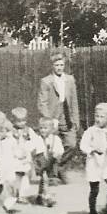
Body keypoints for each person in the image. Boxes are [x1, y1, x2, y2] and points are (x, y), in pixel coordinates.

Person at [37, 52, 80, 184]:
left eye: (61, 65)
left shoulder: (70, 80)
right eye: (57, 65)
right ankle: (52, 175)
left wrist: (76, 118)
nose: (59, 68)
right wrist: (49, 120)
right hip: (52, 117)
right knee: (51, 146)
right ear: (52, 66)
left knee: (72, 144)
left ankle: (60, 167)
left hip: (67, 117)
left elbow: (74, 101)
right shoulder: (46, 81)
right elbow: (42, 102)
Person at [79, 102, 107, 214]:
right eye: (96, 116)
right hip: (94, 163)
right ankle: (93, 213)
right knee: (94, 189)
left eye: (102, 117)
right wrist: (92, 150)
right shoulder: (90, 131)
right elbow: (83, 145)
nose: (98, 119)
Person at [34, 117, 64, 207]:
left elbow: (60, 149)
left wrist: (57, 154)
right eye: (41, 128)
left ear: (51, 129)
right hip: (42, 161)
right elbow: (32, 147)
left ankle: (41, 195)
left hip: (52, 161)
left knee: (49, 179)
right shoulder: (37, 138)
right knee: (44, 179)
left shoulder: (56, 139)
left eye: (45, 128)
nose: (42, 130)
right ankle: (46, 197)